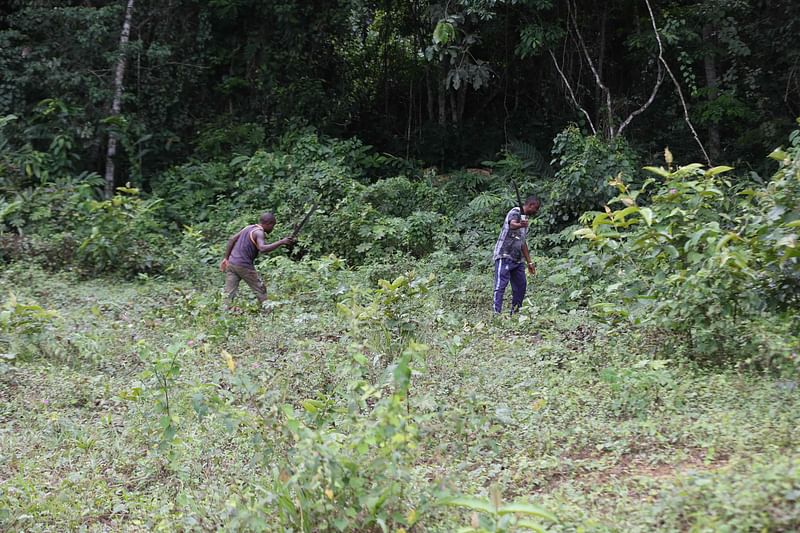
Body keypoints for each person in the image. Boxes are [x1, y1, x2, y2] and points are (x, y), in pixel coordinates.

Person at [219, 212, 294, 308]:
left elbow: (231, 239)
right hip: (243, 265)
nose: (273, 228)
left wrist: (226, 258)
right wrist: (281, 242)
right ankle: (268, 311)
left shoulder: (248, 228)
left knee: (228, 293)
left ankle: (224, 311)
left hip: (232, 263)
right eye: (273, 225)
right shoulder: (259, 232)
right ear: (268, 223)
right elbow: (262, 249)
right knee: (260, 289)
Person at [492, 196, 541, 314]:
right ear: (530, 205)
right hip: (504, 254)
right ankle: (496, 313)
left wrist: (529, 262)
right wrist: (520, 225)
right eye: (536, 208)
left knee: (521, 286)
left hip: (517, 259)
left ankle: (515, 313)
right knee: (500, 286)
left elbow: (523, 242)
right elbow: (512, 225)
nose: (536, 211)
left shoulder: (526, 219)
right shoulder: (515, 211)